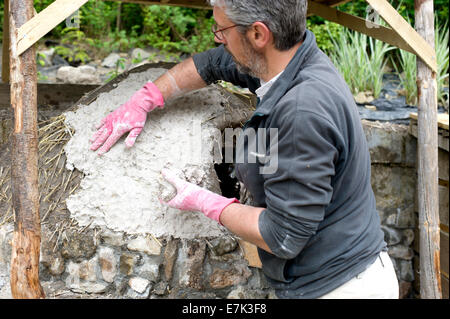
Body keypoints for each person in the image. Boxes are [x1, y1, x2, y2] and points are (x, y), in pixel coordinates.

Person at [90, 0, 399, 299]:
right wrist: (146, 98)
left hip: (342, 287)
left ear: (258, 34)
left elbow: (284, 235)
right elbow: (211, 64)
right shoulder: (288, 64)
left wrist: (205, 202)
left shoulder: (301, 112)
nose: (218, 37)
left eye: (221, 29)